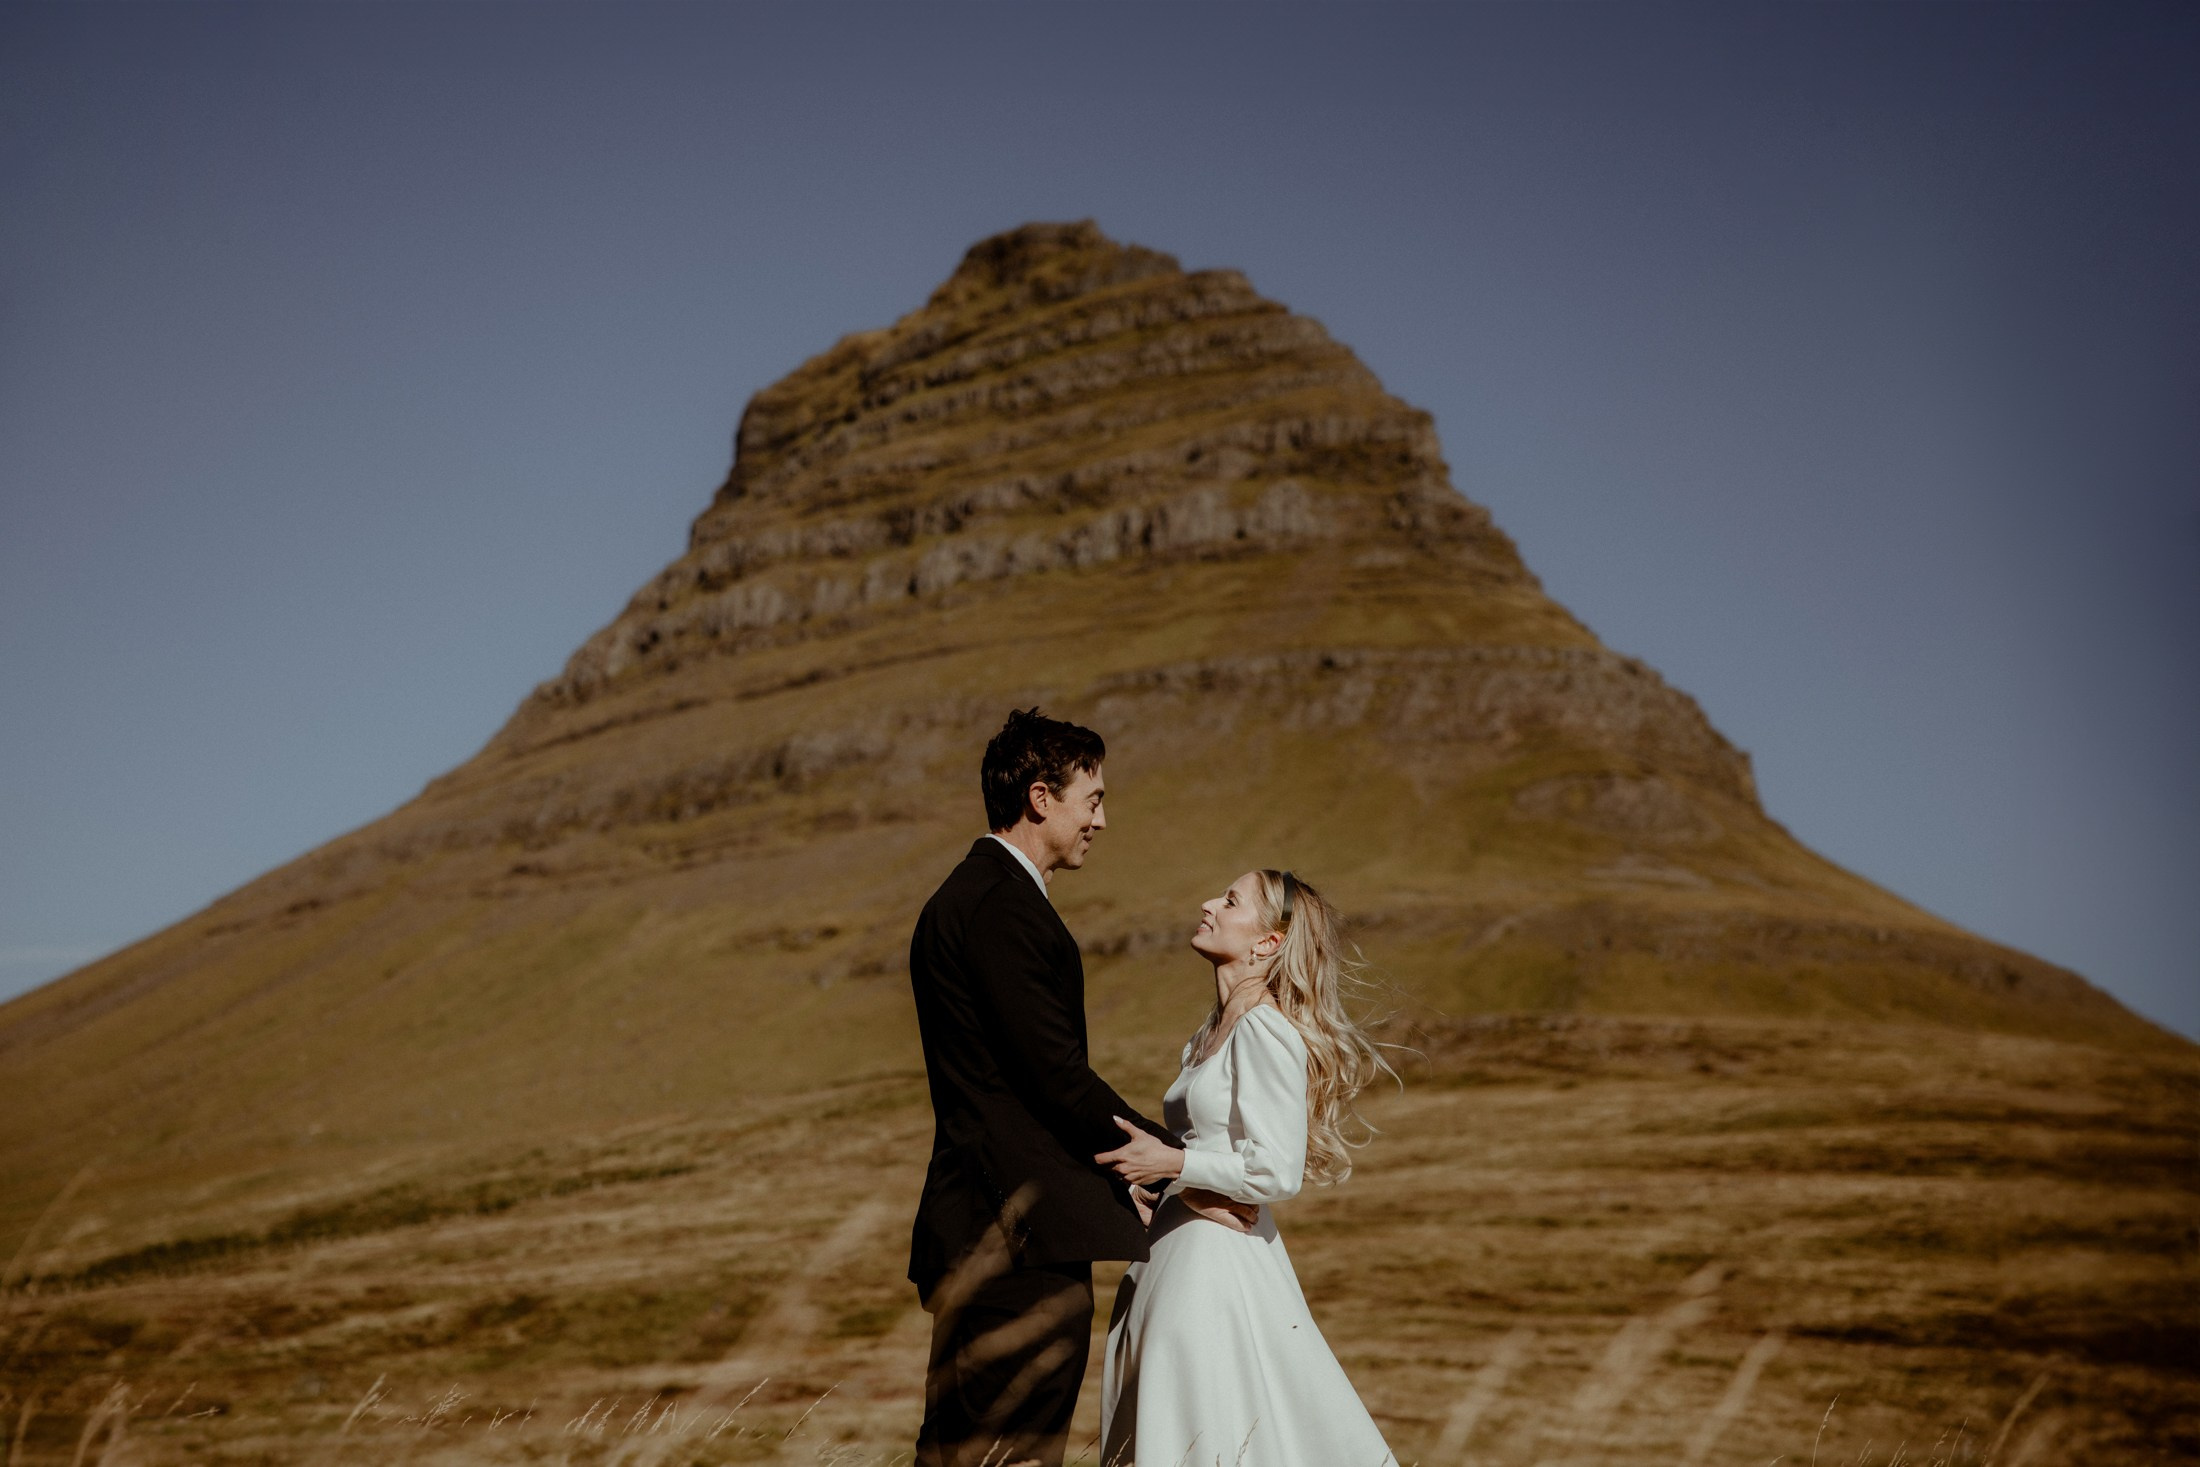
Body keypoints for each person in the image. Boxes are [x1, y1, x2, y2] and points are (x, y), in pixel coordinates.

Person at [907, 709, 1254, 1467]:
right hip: (1014, 1238)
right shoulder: (1000, 907)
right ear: (1040, 797)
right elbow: (1052, 1075)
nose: (1102, 818)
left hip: (994, 1231)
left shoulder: (974, 898)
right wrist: (1172, 1162)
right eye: (1091, 798)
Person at [1094, 869, 1399, 1467]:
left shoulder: (1263, 1029)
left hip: (1214, 1270)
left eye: (1230, 901)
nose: (1208, 903)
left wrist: (1173, 1163)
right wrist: (1172, 1182)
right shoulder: (1208, 1035)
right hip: (1174, 1252)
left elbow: (1276, 1171)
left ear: (1268, 943)